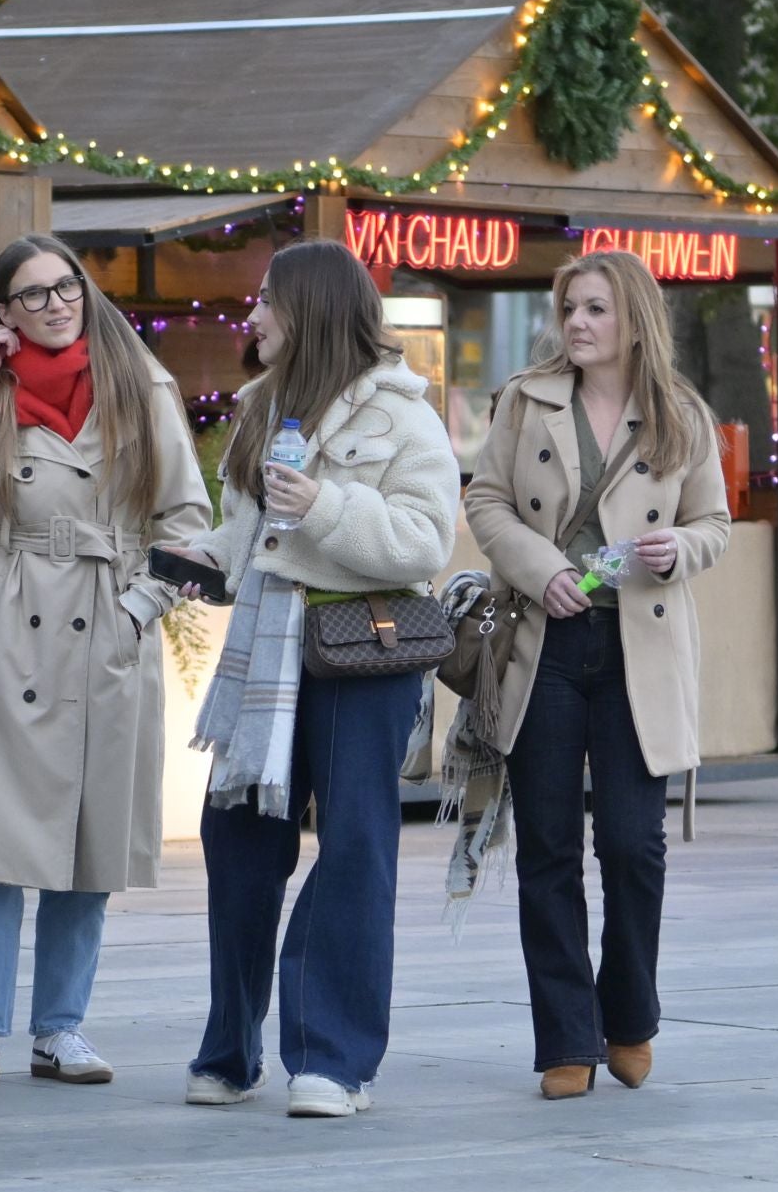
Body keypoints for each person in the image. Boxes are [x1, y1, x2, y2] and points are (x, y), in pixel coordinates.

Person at [168, 239, 460, 1118]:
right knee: (237, 840)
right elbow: (249, 535)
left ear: (311, 309)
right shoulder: (259, 407)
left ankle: (333, 1059)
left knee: (356, 848)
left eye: (265, 300)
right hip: (268, 647)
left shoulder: (404, 416)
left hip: (362, 650)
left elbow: (424, 540)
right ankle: (229, 1049)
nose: (250, 315)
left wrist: (326, 505)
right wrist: (195, 557)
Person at [0, 234, 210, 1089]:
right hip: (13, 623)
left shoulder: (141, 385)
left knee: (91, 837)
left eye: (67, 287)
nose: (56, 304)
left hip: (111, 625)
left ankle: (61, 1027)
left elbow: (190, 522)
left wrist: (137, 610)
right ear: (4, 312)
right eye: (33, 294)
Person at [463, 249, 730, 1101]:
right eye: (569, 307)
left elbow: (713, 522)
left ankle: (632, 1017)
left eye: (595, 310)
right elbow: (484, 500)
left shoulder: (681, 413)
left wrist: (678, 547)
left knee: (630, 845)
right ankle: (566, 1038)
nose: (576, 323)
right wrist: (539, 566)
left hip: (638, 648)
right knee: (546, 848)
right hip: (544, 643)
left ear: (633, 321)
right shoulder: (525, 399)